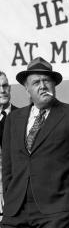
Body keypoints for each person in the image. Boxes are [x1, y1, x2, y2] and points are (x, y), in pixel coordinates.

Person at [1, 57, 69, 228]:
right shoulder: (13, 119)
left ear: (54, 84)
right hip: (16, 211)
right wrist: (10, 197)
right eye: (36, 82)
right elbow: (7, 165)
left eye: (46, 80)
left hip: (58, 210)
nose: (42, 86)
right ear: (27, 88)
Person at [0, 71, 17, 215]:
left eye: (5, 86)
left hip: (16, 190)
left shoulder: (23, 116)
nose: (2, 90)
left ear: (10, 88)